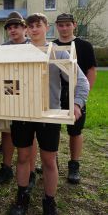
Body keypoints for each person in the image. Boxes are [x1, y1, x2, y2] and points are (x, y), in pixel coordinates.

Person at [9, 13, 89, 215]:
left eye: (38, 25)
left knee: (48, 160)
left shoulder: (58, 53)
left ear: (46, 28)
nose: (34, 29)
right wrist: (8, 102)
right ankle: (21, 197)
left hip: (48, 115)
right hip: (22, 114)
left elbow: (80, 81)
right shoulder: (19, 53)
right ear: (26, 29)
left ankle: (49, 201)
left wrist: (78, 104)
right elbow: (9, 82)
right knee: (23, 157)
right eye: (31, 26)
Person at [0, 12, 37, 189]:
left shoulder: (33, 46)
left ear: (24, 28)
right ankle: (6, 167)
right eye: (9, 28)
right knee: (7, 131)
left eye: (16, 26)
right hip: (9, 91)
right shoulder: (3, 48)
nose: (12, 30)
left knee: (30, 135)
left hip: (29, 93)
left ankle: (31, 171)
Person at [53, 13, 97, 184]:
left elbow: (91, 71)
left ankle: (74, 164)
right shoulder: (52, 46)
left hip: (76, 93)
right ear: (56, 26)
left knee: (75, 131)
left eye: (67, 25)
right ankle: (52, 160)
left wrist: (83, 97)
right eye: (61, 25)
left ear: (74, 25)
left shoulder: (84, 45)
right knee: (52, 130)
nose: (64, 28)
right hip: (55, 93)